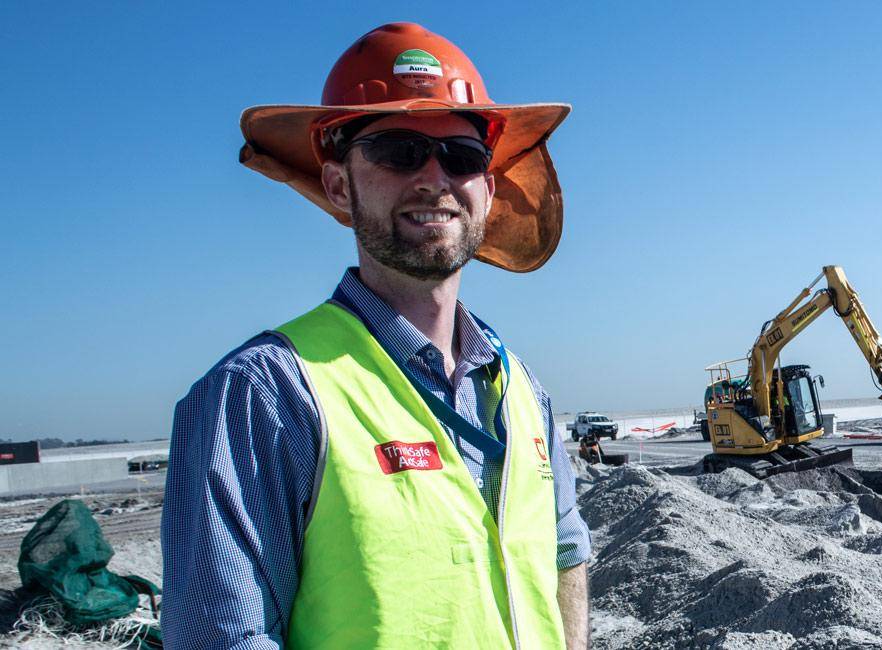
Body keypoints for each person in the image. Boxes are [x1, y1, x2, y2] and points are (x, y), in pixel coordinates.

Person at [162, 23, 588, 649]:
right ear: (338, 184)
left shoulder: (522, 390)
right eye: (397, 151)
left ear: (488, 191)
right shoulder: (266, 394)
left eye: (463, 157)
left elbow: (565, 552)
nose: (434, 177)